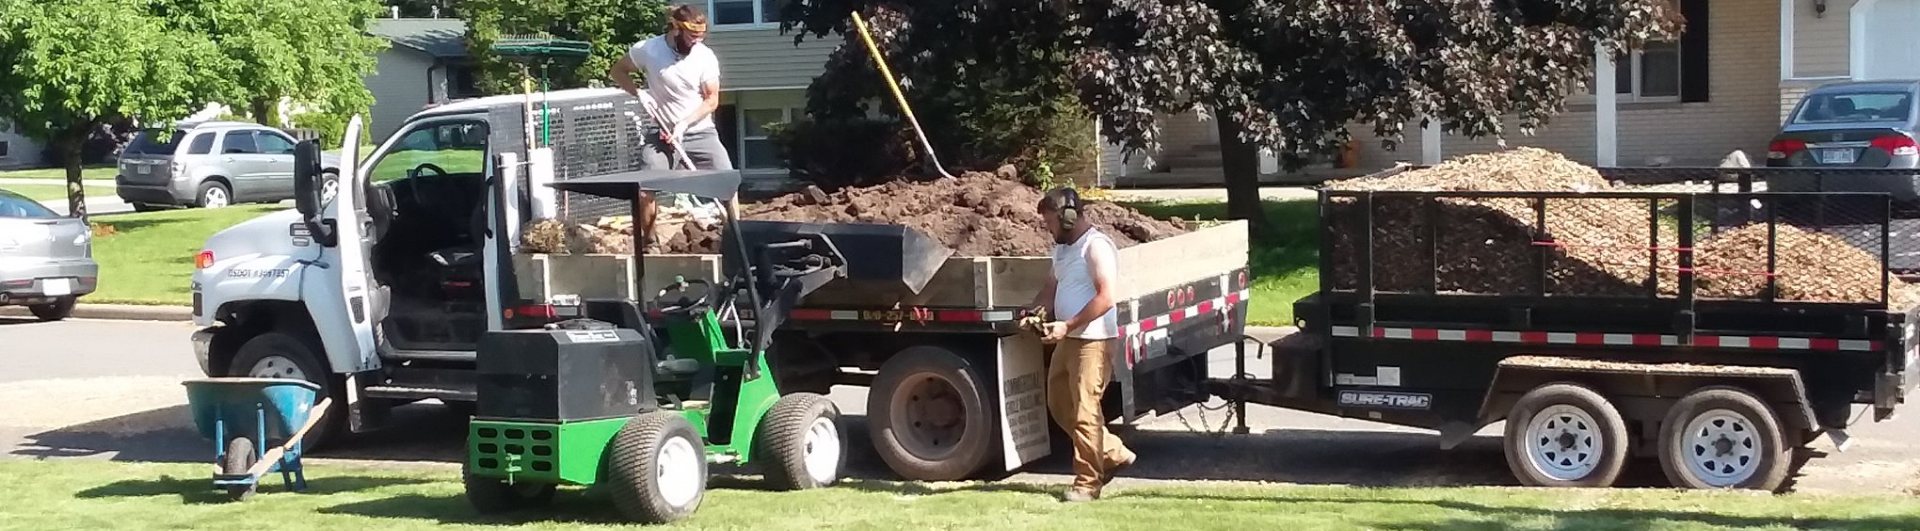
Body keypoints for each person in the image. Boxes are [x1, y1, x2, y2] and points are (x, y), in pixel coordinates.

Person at [1029, 186, 1136, 502]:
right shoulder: (1062, 249)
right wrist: (1033, 312)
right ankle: (1113, 452)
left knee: (1086, 411)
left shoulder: (1096, 247)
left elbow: (1105, 298)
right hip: (1069, 339)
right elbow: (1051, 287)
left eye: (1050, 222)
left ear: (1066, 218)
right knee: (1060, 403)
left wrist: (1067, 325)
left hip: (1094, 340)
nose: (1047, 228)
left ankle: (1088, 484)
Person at [609, 4, 734, 243]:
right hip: (662, 133)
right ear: (676, 29)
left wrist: (684, 124)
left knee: (729, 182)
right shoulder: (649, 49)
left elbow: (712, 100)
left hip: (700, 132)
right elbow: (618, 71)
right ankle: (650, 242)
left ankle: (737, 238)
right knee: (645, 188)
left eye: (700, 37)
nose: (696, 42)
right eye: (691, 37)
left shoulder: (704, 57)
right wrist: (639, 93)